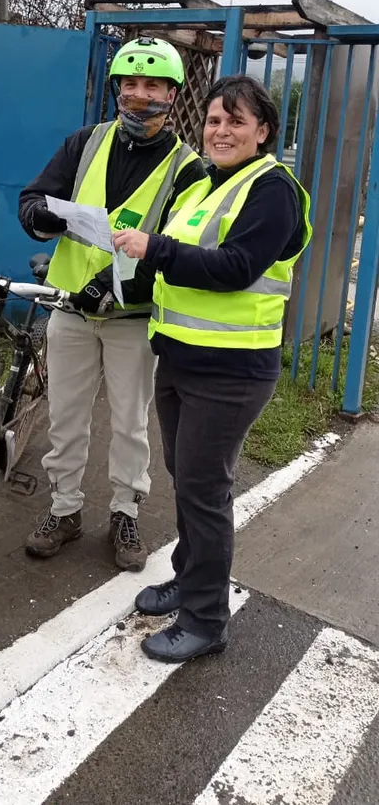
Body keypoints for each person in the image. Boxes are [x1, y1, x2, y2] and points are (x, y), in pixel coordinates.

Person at [113, 74, 312, 659]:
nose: (221, 131)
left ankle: (206, 620)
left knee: (204, 489)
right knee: (186, 476)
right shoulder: (204, 184)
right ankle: (188, 577)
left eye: (236, 121)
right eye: (214, 121)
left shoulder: (272, 188)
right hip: (181, 359)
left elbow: (235, 266)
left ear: (263, 131)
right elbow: (174, 265)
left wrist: (156, 248)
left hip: (232, 371)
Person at [18, 37, 207, 571]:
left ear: (173, 94)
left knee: (129, 421)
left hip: (132, 319)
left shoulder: (188, 170)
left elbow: (181, 250)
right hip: (72, 310)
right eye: (129, 84)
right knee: (66, 416)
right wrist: (41, 218)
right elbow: (33, 198)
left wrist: (126, 284)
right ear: (116, 89)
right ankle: (65, 509)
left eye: (152, 86)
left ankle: (125, 511)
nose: (139, 96)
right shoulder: (85, 142)